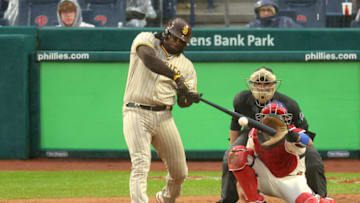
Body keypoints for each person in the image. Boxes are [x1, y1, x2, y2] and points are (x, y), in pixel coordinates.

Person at [217, 67, 327, 203]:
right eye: (258, 83)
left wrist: (300, 143)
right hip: (253, 133)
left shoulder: (290, 105)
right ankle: (228, 199)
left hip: (286, 134)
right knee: (232, 155)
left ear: (274, 85)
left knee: (314, 161)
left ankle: (321, 196)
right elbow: (235, 127)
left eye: (267, 83)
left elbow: (305, 134)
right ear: (251, 84)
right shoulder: (241, 99)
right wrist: (235, 161)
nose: (262, 87)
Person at [122, 17, 202, 203]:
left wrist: (188, 96)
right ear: (166, 33)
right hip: (136, 111)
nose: (176, 42)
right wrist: (176, 77)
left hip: (164, 116)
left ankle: (165, 199)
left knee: (180, 172)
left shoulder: (187, 66)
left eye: (181, 41)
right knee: (141, 163)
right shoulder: (146, 38)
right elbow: (148, 59)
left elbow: (183, 103)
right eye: (174, 37)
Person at [227, 101, 335, 203]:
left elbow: (308, 142)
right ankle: (255, 200)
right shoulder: (254, 133)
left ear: (286, 119)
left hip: (291, 181)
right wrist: (241, 184)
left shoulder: (292, 133)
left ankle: (324, 201)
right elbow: (245, 158)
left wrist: (296, 137)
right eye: (268, 115)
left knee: (308, 201)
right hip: (265, 177)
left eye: (277, 115)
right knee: (238, 154)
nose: (272, 119)